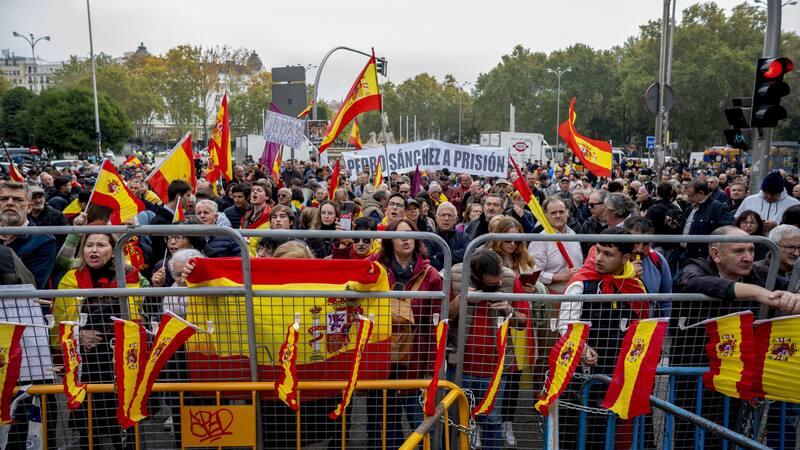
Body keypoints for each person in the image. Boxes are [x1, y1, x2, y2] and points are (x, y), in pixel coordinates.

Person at [672, 226, 800, 448]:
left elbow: (789, 291)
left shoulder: (761, 275)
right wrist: (757, 292)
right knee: (690, 435)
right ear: (716, 253)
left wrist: (794, 297)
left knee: (735, 435)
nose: (748, 257)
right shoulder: (696, 268)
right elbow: (693, 281)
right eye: (739, 251)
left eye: (751, 250)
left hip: (739, 376)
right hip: (696, 377)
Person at [557, 228, 648, 448]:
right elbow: (565, 325)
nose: (598, 258)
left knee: (608, 433)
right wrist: (582, 347)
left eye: (607, 254)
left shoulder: (634, 284)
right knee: (574, 433)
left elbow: (643, 325)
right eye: (598, 250)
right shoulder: (581, 284)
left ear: (625, 258)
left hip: (618, 371)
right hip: (580, 375)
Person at [54, 233, 142, 450]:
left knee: (123, 425)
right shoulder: (70, 278)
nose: (93, 250)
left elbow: (134, 313)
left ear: (114, 250)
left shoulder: (129, 277)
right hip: (85, 361)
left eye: (101, 245)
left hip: (117, 358)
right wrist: (78, 335)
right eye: (89, 245)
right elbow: (60, 319)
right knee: (88, 427)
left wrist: (108, 335)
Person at [366, 218, 442, 450]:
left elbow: (434, 324)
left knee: (421, 425)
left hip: (415, 359)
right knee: (388, 428)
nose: (406, 238)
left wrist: (431, 362)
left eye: (410, 233)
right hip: (381, 357)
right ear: (390, 240)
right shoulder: (373, 267)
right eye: (400, 235)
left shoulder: (431, 276)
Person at [447, 249, 528, 450]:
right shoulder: (456, 276)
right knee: (453, 419)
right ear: (475, 275)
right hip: (459, 365)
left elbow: (524, 321)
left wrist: (509, 309)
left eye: (500, 279)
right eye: (493, 284)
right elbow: (443, 316)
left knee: (492, 420)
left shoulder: (510, 279)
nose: (499, 284)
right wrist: (462, 300)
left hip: (494, 368)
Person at [486, 216, 541, 447]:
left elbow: (538, 292)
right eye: (508, 240)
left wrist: (533, 288)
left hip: (520, 321)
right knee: (493, 374)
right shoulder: (489, 259)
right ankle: (487, 422)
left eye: (516, 241)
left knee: (514, 376)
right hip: (494, 322)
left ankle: (508, 422)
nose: (512, 245)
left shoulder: (526, 260)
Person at [0, 181, 57, 289]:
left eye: (18, 199)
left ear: (29, 207)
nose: (10, 203)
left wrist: (4, 253)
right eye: (3, 199)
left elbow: (32, 286)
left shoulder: (43, 240)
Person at [528, 197, 584, 294]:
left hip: (577, 292)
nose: (558, 215)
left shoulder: (573, 234)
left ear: (567, 213)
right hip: (553, 296)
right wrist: (558, 277)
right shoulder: (540, 240)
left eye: (561, 212)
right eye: (553, 213)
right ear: (545, 215)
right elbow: (533, 274)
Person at [623, 216, 672, 317]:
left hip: (648, 327)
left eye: (645, 243)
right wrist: (627, 274)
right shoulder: (613, 258)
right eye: (635, 243)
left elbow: (666, 299)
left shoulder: (658, 260)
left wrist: (663, 328)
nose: (640, 249)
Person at [680, 180, 735, 261]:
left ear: (701, 193)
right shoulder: (690, 208)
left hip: (703, 258)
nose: (688, 198)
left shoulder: (718, 208)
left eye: (690, 196)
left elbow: (729, 229)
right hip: (685, 255)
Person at [735, 171, 800, 226]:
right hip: (752, 239)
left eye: (773, 194)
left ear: (781, 192)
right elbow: (737, 219)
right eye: (765, 193)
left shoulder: (794, 204)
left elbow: (796, 226)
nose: (769, 197)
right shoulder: (749, 200)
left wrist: (777, 226)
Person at [427, 202, 468, 272]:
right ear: (436, 218)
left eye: (450, 215)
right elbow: (428, 260)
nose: (446, 218)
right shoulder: (429, 238)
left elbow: (468, 253)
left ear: (455, 219)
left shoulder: (464, 237)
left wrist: (440, 255)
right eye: (443, 215)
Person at [756, 224, 800, 290]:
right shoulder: (756, 271)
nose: (796, 253)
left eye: (799, 247)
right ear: (773, 246)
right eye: (790, 247)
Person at [241, 180, 273, 256]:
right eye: (253, 190)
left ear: (267, 196)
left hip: (260, 259)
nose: (255, 192)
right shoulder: (246, 216)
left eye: (259, 191)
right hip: (244, 258)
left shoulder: (271, 215)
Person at [577, 190, 609, 256]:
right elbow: (583, 249)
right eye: (588, 204)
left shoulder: (618, 223)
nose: (589, 207)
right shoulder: (587, 223)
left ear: (604, 204)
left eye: (591, 205)